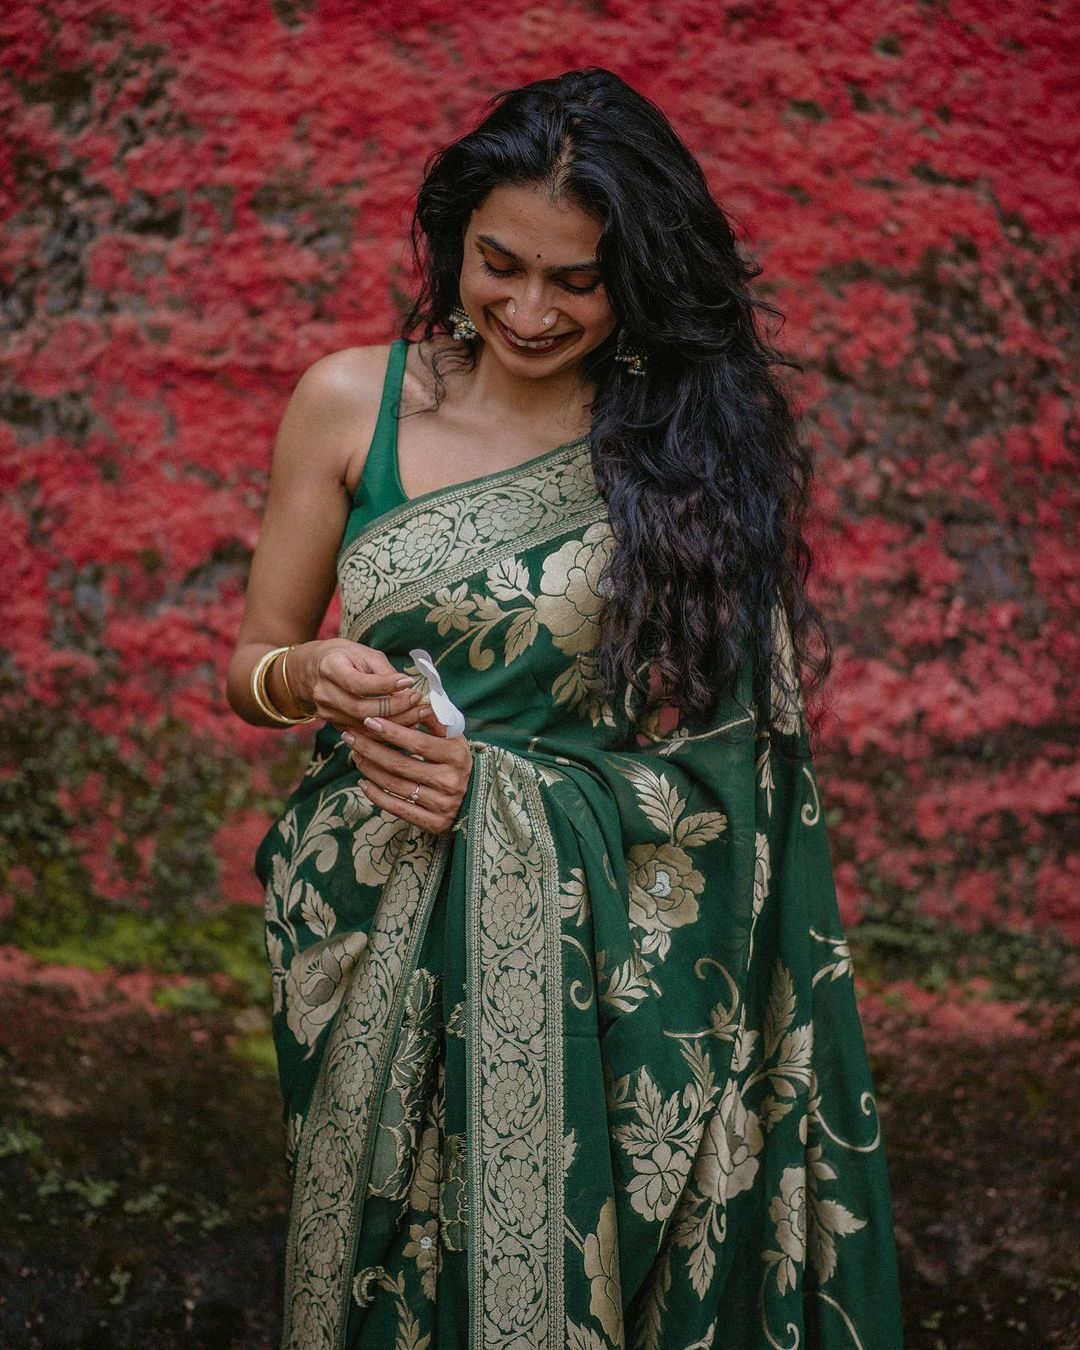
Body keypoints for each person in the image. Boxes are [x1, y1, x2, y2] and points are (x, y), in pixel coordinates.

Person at [226, 65, 904, 1350]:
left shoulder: (687, 459)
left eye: (577, 281)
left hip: (599, 947)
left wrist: (507, 798)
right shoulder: (344, 402)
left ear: (636, 276)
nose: (529, 310)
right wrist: (304, 675)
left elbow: (727, 782)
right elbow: (254, 658)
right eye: (500, 265)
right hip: (366, 909)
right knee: (376, 1264)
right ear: (454, 243)